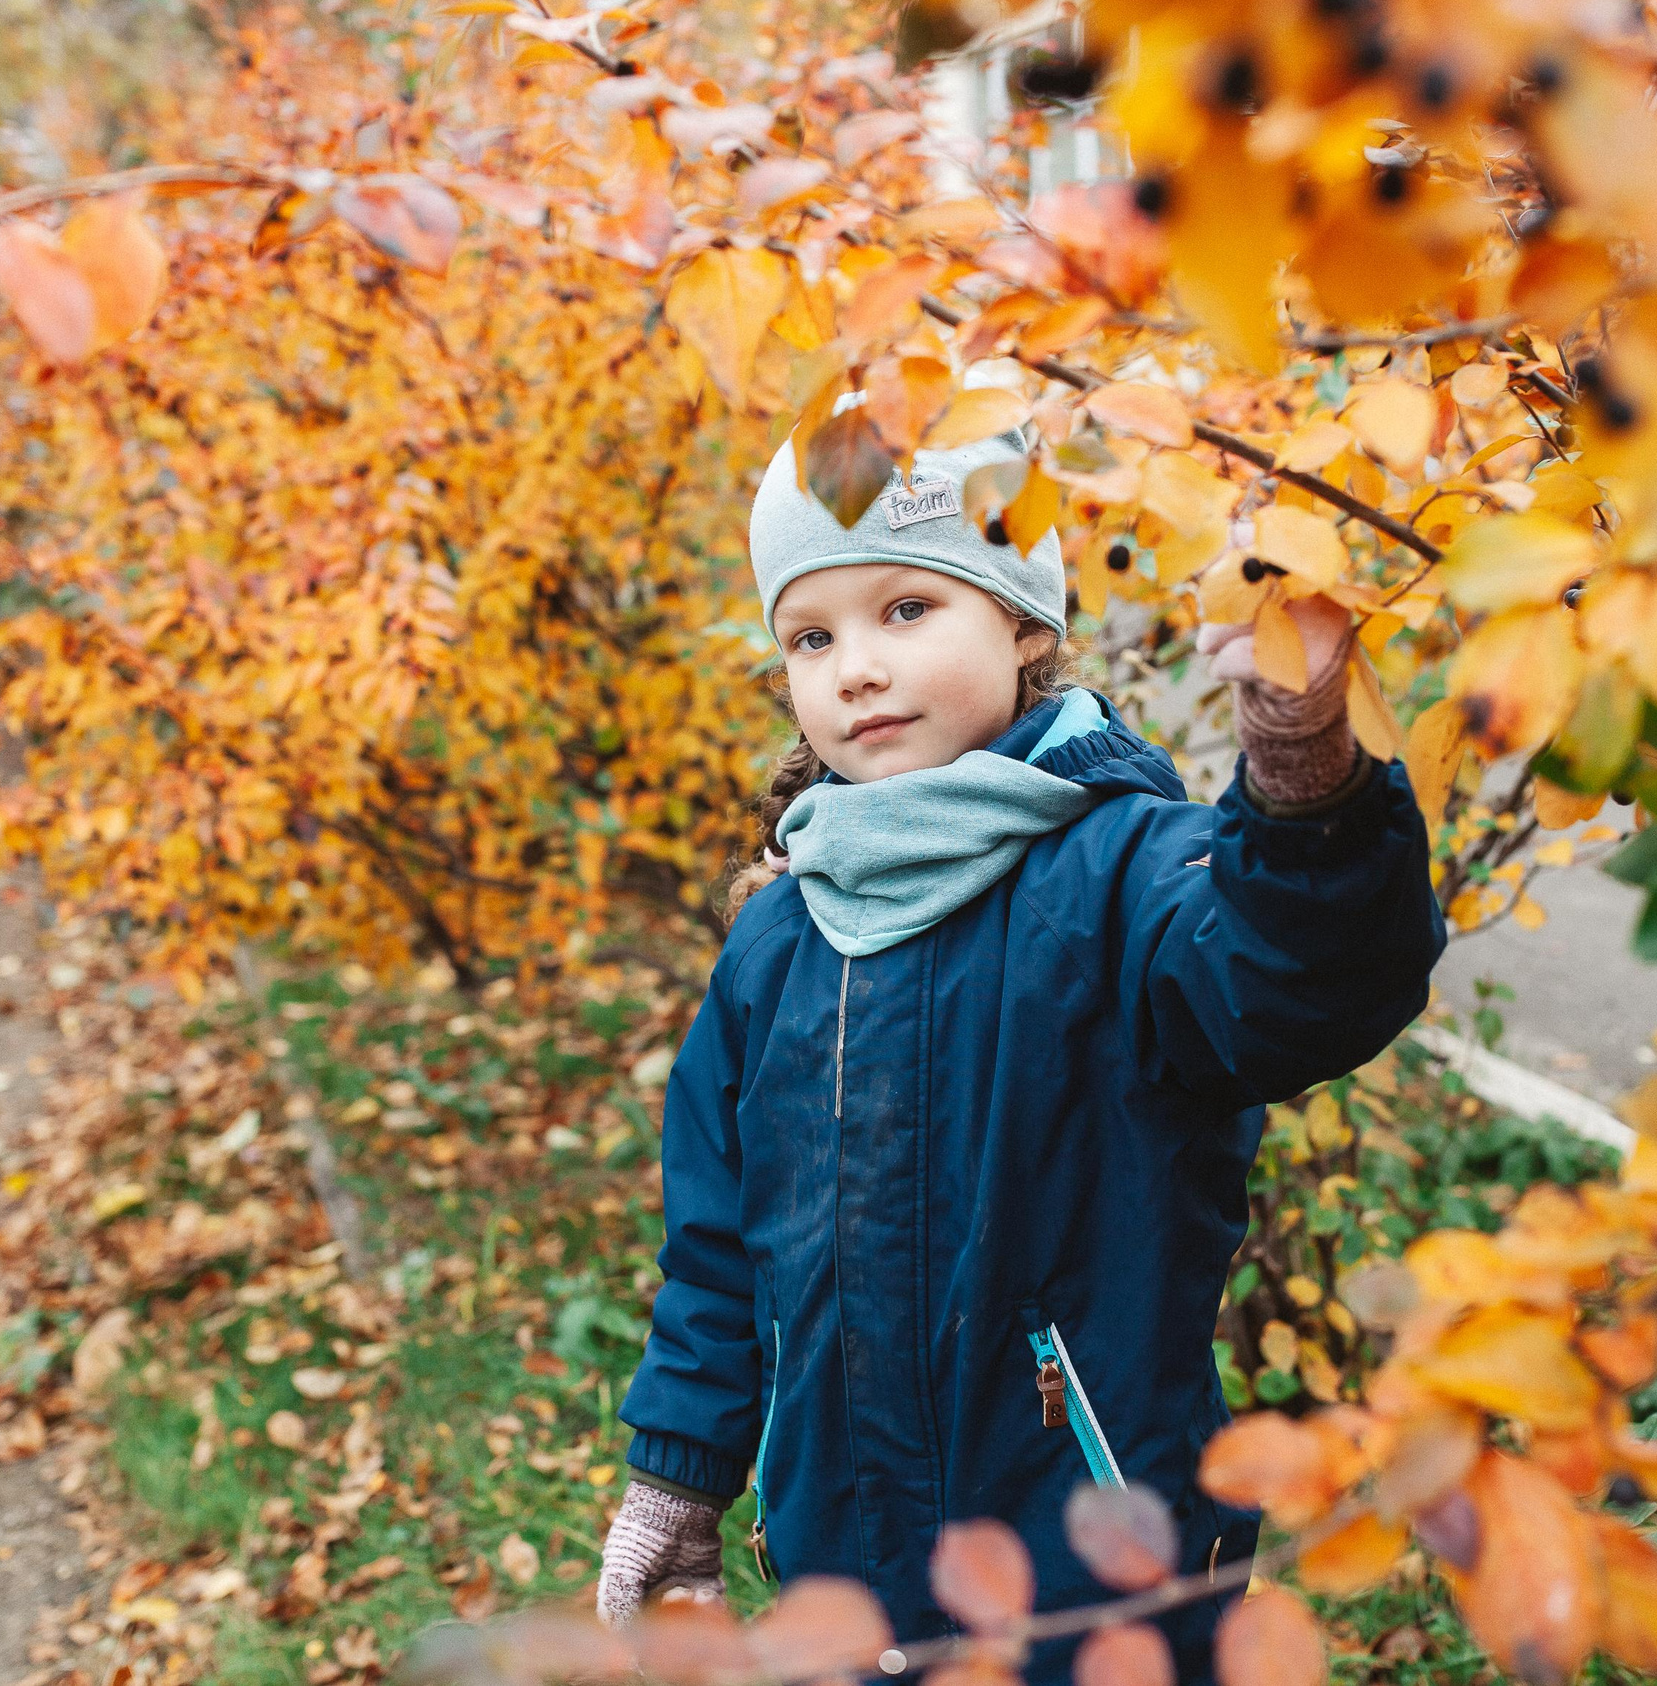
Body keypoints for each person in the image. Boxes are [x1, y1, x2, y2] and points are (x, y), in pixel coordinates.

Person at [594, 415, 1446, 1681]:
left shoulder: (1123, 877)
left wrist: (1304, 768)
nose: (857, 669)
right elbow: (722, 1253)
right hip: (843, 1567)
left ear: (1024, 623)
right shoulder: (779, 939)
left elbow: (1302, 982)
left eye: (906, 608)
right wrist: (678, 1470)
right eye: (811, 637)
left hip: (1096, 1578)